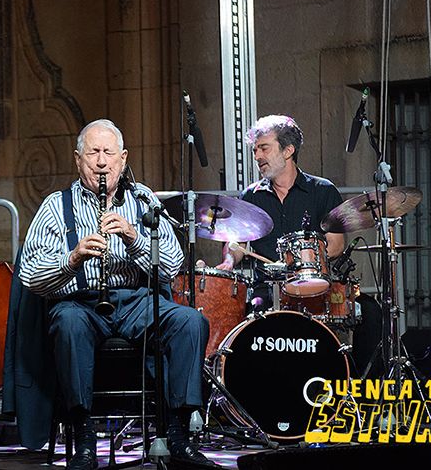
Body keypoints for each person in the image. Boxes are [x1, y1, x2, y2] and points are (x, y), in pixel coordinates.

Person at [19, 119, 219, 470]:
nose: (101, 161)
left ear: (122, 159)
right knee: (67, 324)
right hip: (79, 302)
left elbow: (172, 264)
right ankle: (82, 435)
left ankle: (177, 432)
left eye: (108, 153)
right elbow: (29, 275)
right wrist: (72, 258)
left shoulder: (142, 199)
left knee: (191, 321)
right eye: (93, 153)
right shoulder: (55, 205)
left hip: (134, 301)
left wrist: (133, 237)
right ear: (78, 159)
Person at [216, 114, 382, 376]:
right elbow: (236, 242)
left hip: (316, 287)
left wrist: (303, 259)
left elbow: (336, 244)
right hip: (267, 290)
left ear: (288, 150)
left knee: (371, 312)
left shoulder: (322, 191)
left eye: (264, 148)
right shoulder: (251, 195)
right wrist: (229, 258)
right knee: (247, 314)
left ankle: (363, 392)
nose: (257, 155)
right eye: (255, 149)